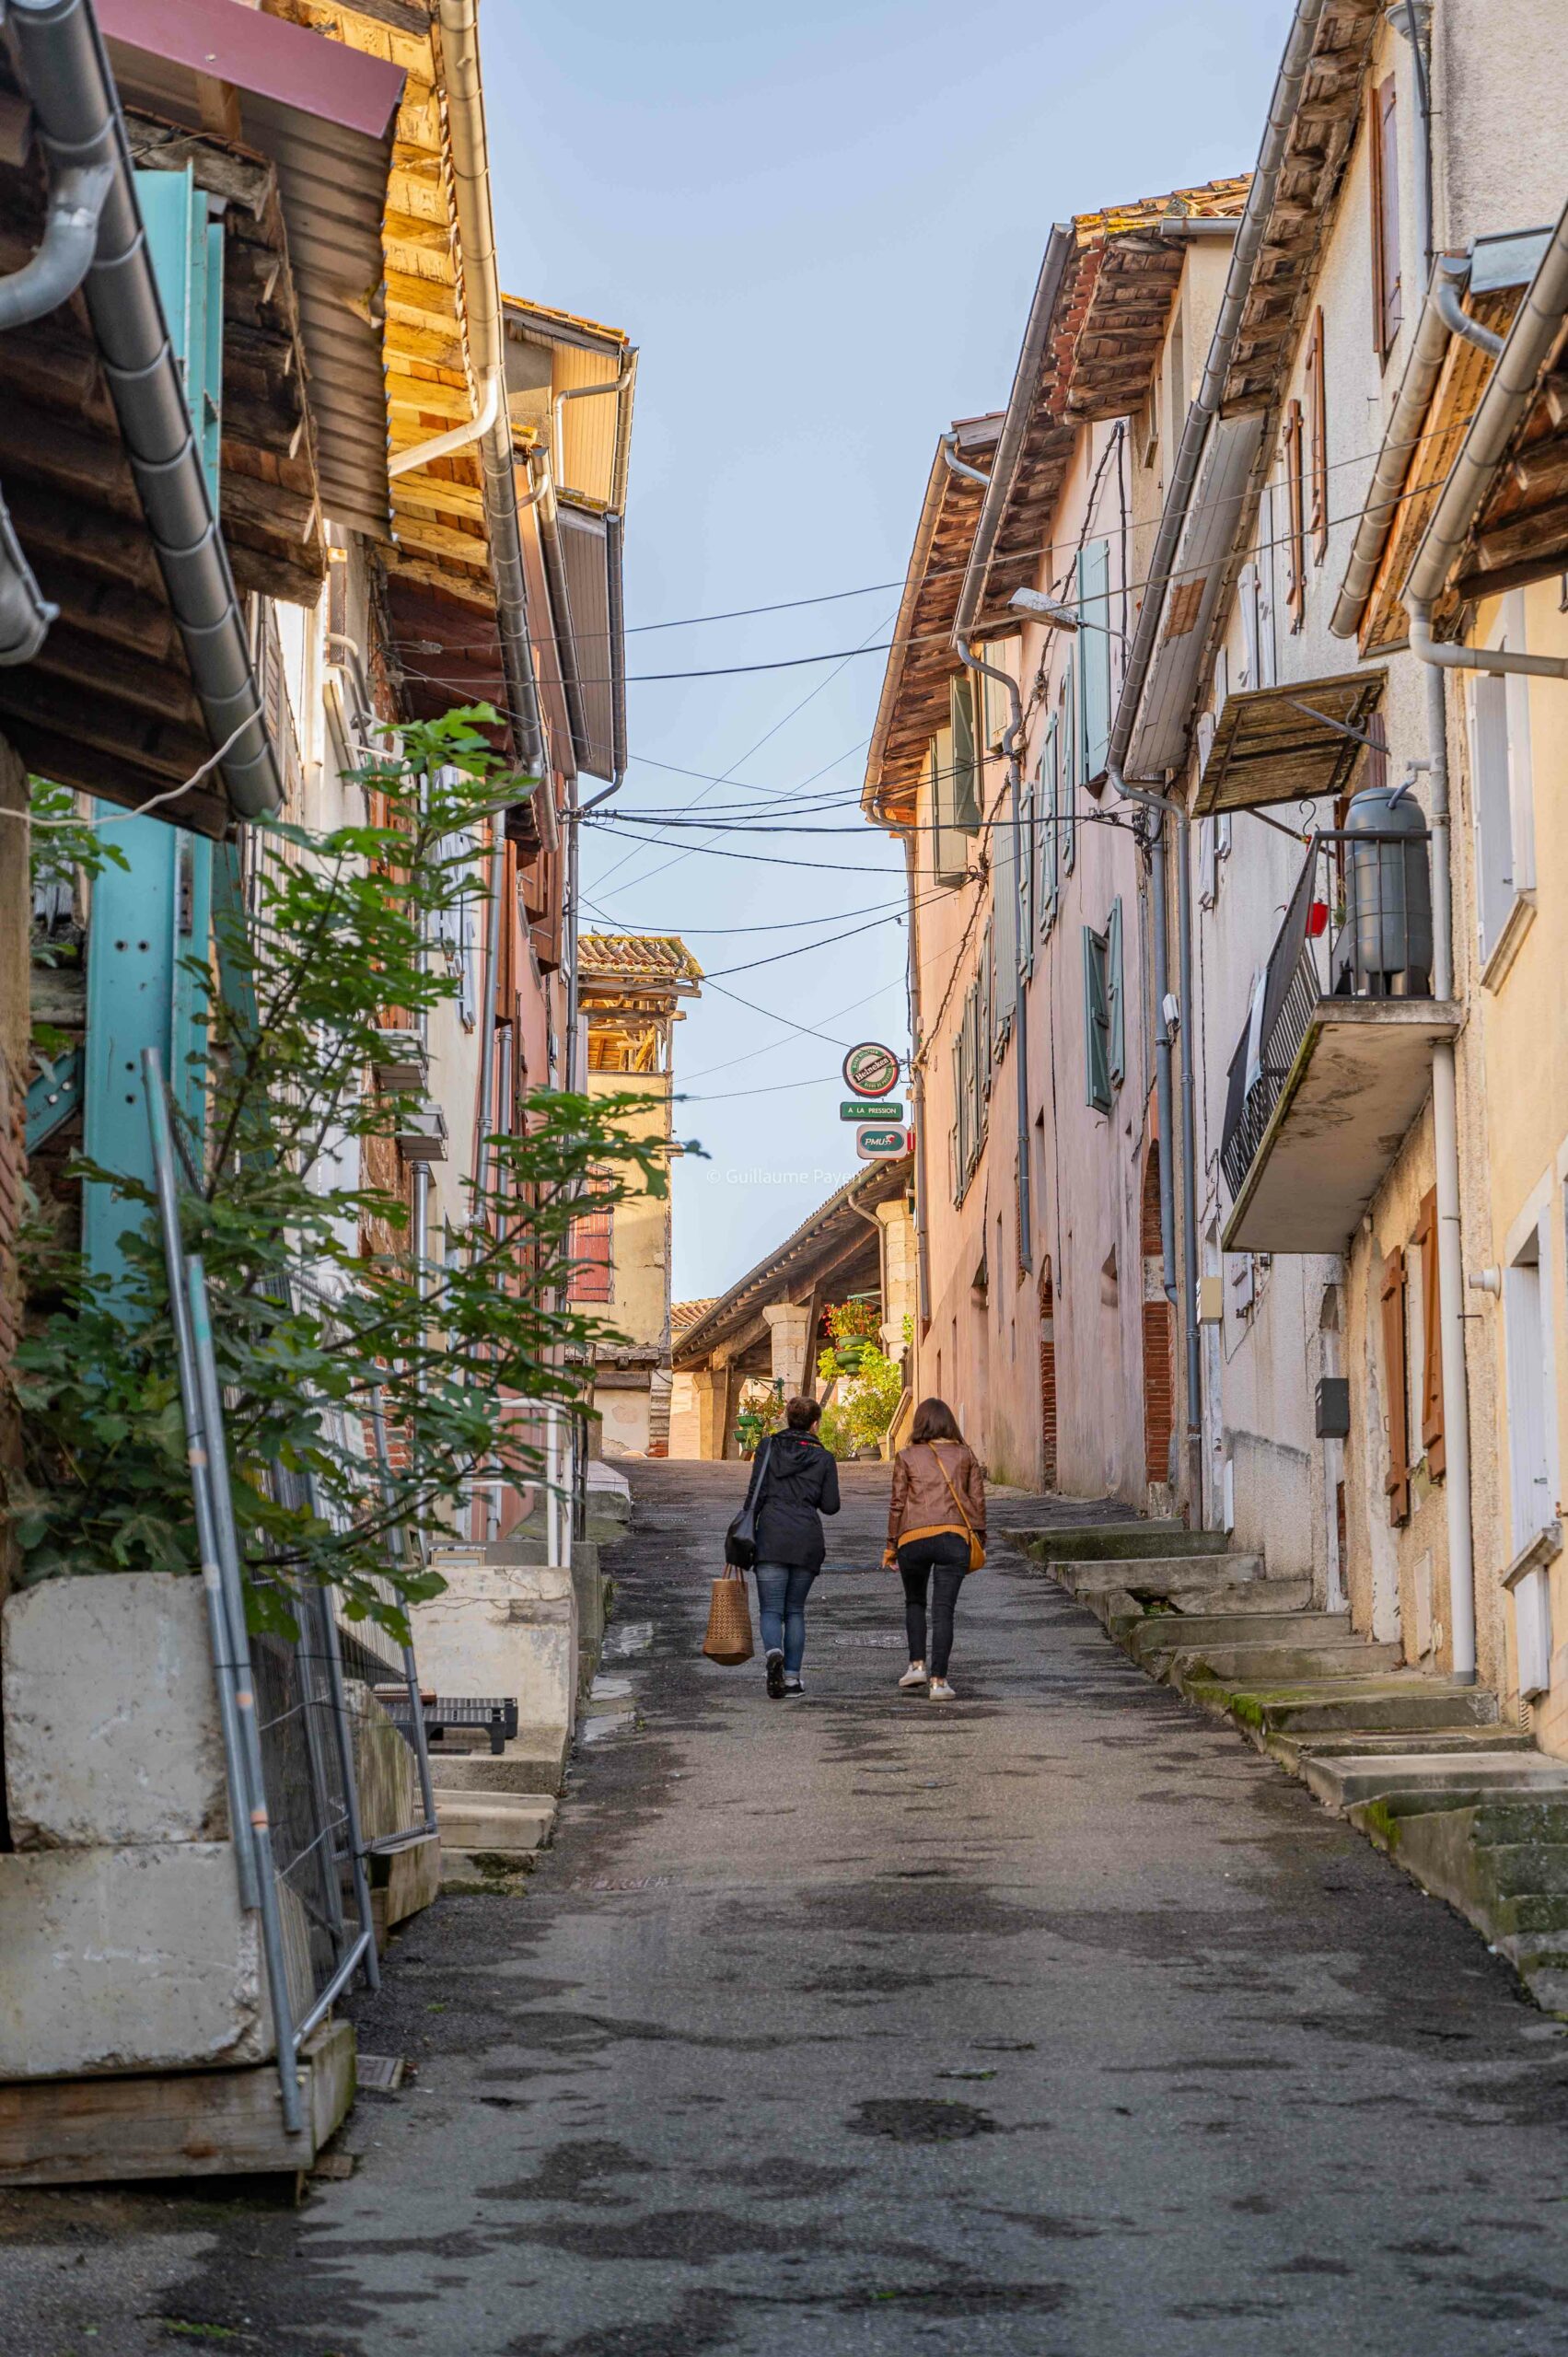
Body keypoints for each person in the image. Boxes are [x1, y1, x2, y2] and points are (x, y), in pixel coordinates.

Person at [882, 1398, 985, 1701]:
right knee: (943, 1611)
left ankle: (916, 1666)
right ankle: (939, 1682)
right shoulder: (965, 1455)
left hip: (912, 1539)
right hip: (954, 1537)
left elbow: (898, 1503)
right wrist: (979, 1537)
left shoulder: (906, 1455)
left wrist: (891, 1546)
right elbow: (978, 1501)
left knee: (915, 1602)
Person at [747, 1395, 840, 1699]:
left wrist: (747, 1529)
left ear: (788, 1420)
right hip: (805, 1539)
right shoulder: (824, 1458)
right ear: (815, 1425)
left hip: (771, 1535)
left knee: (771, 1609)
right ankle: (791, 1679)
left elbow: (755, 1493)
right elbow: (831, 1506)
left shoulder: (768, 1447)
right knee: (795, 1611)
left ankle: (773, 1652)